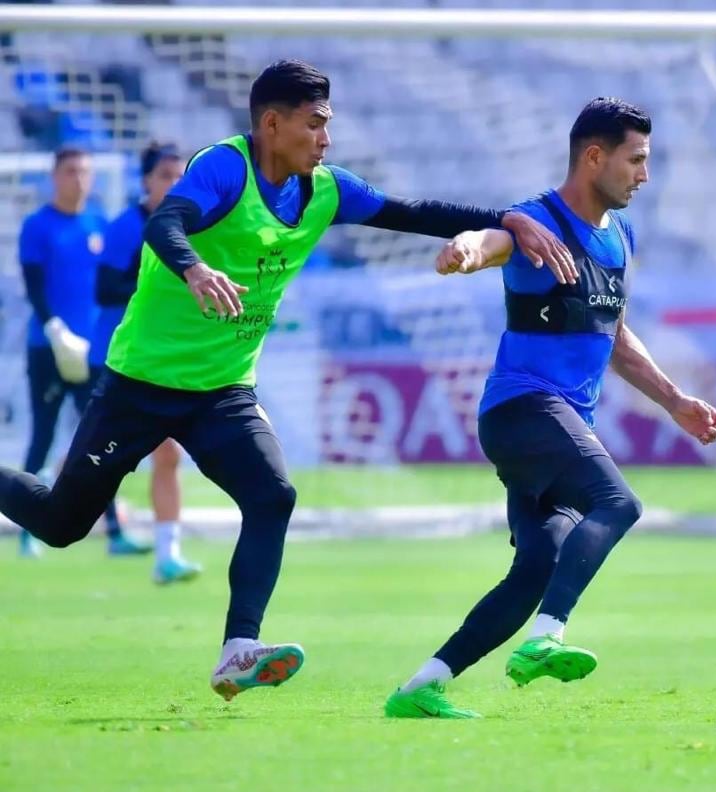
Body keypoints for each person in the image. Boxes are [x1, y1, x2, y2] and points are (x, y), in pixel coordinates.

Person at [0, 59, 571, 701]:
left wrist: (510, 217)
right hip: (141, 383)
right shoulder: (224, 166)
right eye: (315, 124)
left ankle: (238, 647)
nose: (326, 138)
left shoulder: (326, 189)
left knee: (273, 496)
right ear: (272, 124)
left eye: (328, 125)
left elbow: (414, 211)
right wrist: (194, 271)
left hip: (222, 390)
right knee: (61, 523)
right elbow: (166, 222)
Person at [384, 98, 716, 720]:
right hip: (523, 409)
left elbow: (616, 337)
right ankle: (547, 636)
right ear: (594, 156)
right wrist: (464, 249)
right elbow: (489, 241)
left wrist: (675, 401)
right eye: (637, 160)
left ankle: (419, 688)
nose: (644, 175)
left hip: (555, 424)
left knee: (536, 565)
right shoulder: (536, 222)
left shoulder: (620, 236)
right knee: (619, 503)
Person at [15, 147, 149, 558]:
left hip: (93, 352)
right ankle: (25, 529)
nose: (79, 179)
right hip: (49, 347)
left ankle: (113, 532)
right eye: (71, 171)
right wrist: (54, 327)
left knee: (98, 440)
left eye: (85, 172)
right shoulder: (38, 226)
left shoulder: (99, 225)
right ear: (55, 176)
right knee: (43, 435)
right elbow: (34, 284)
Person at [91, 142, 202, 584]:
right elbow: (104, 290)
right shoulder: (126, 227)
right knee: (98, 458)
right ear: (145, 181)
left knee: (168, 455)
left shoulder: (191, 228)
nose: (174, 185)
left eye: (181, 176)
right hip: (120, 358)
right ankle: (39, 503)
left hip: (163, 359)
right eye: (165, 177)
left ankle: (167, 554)